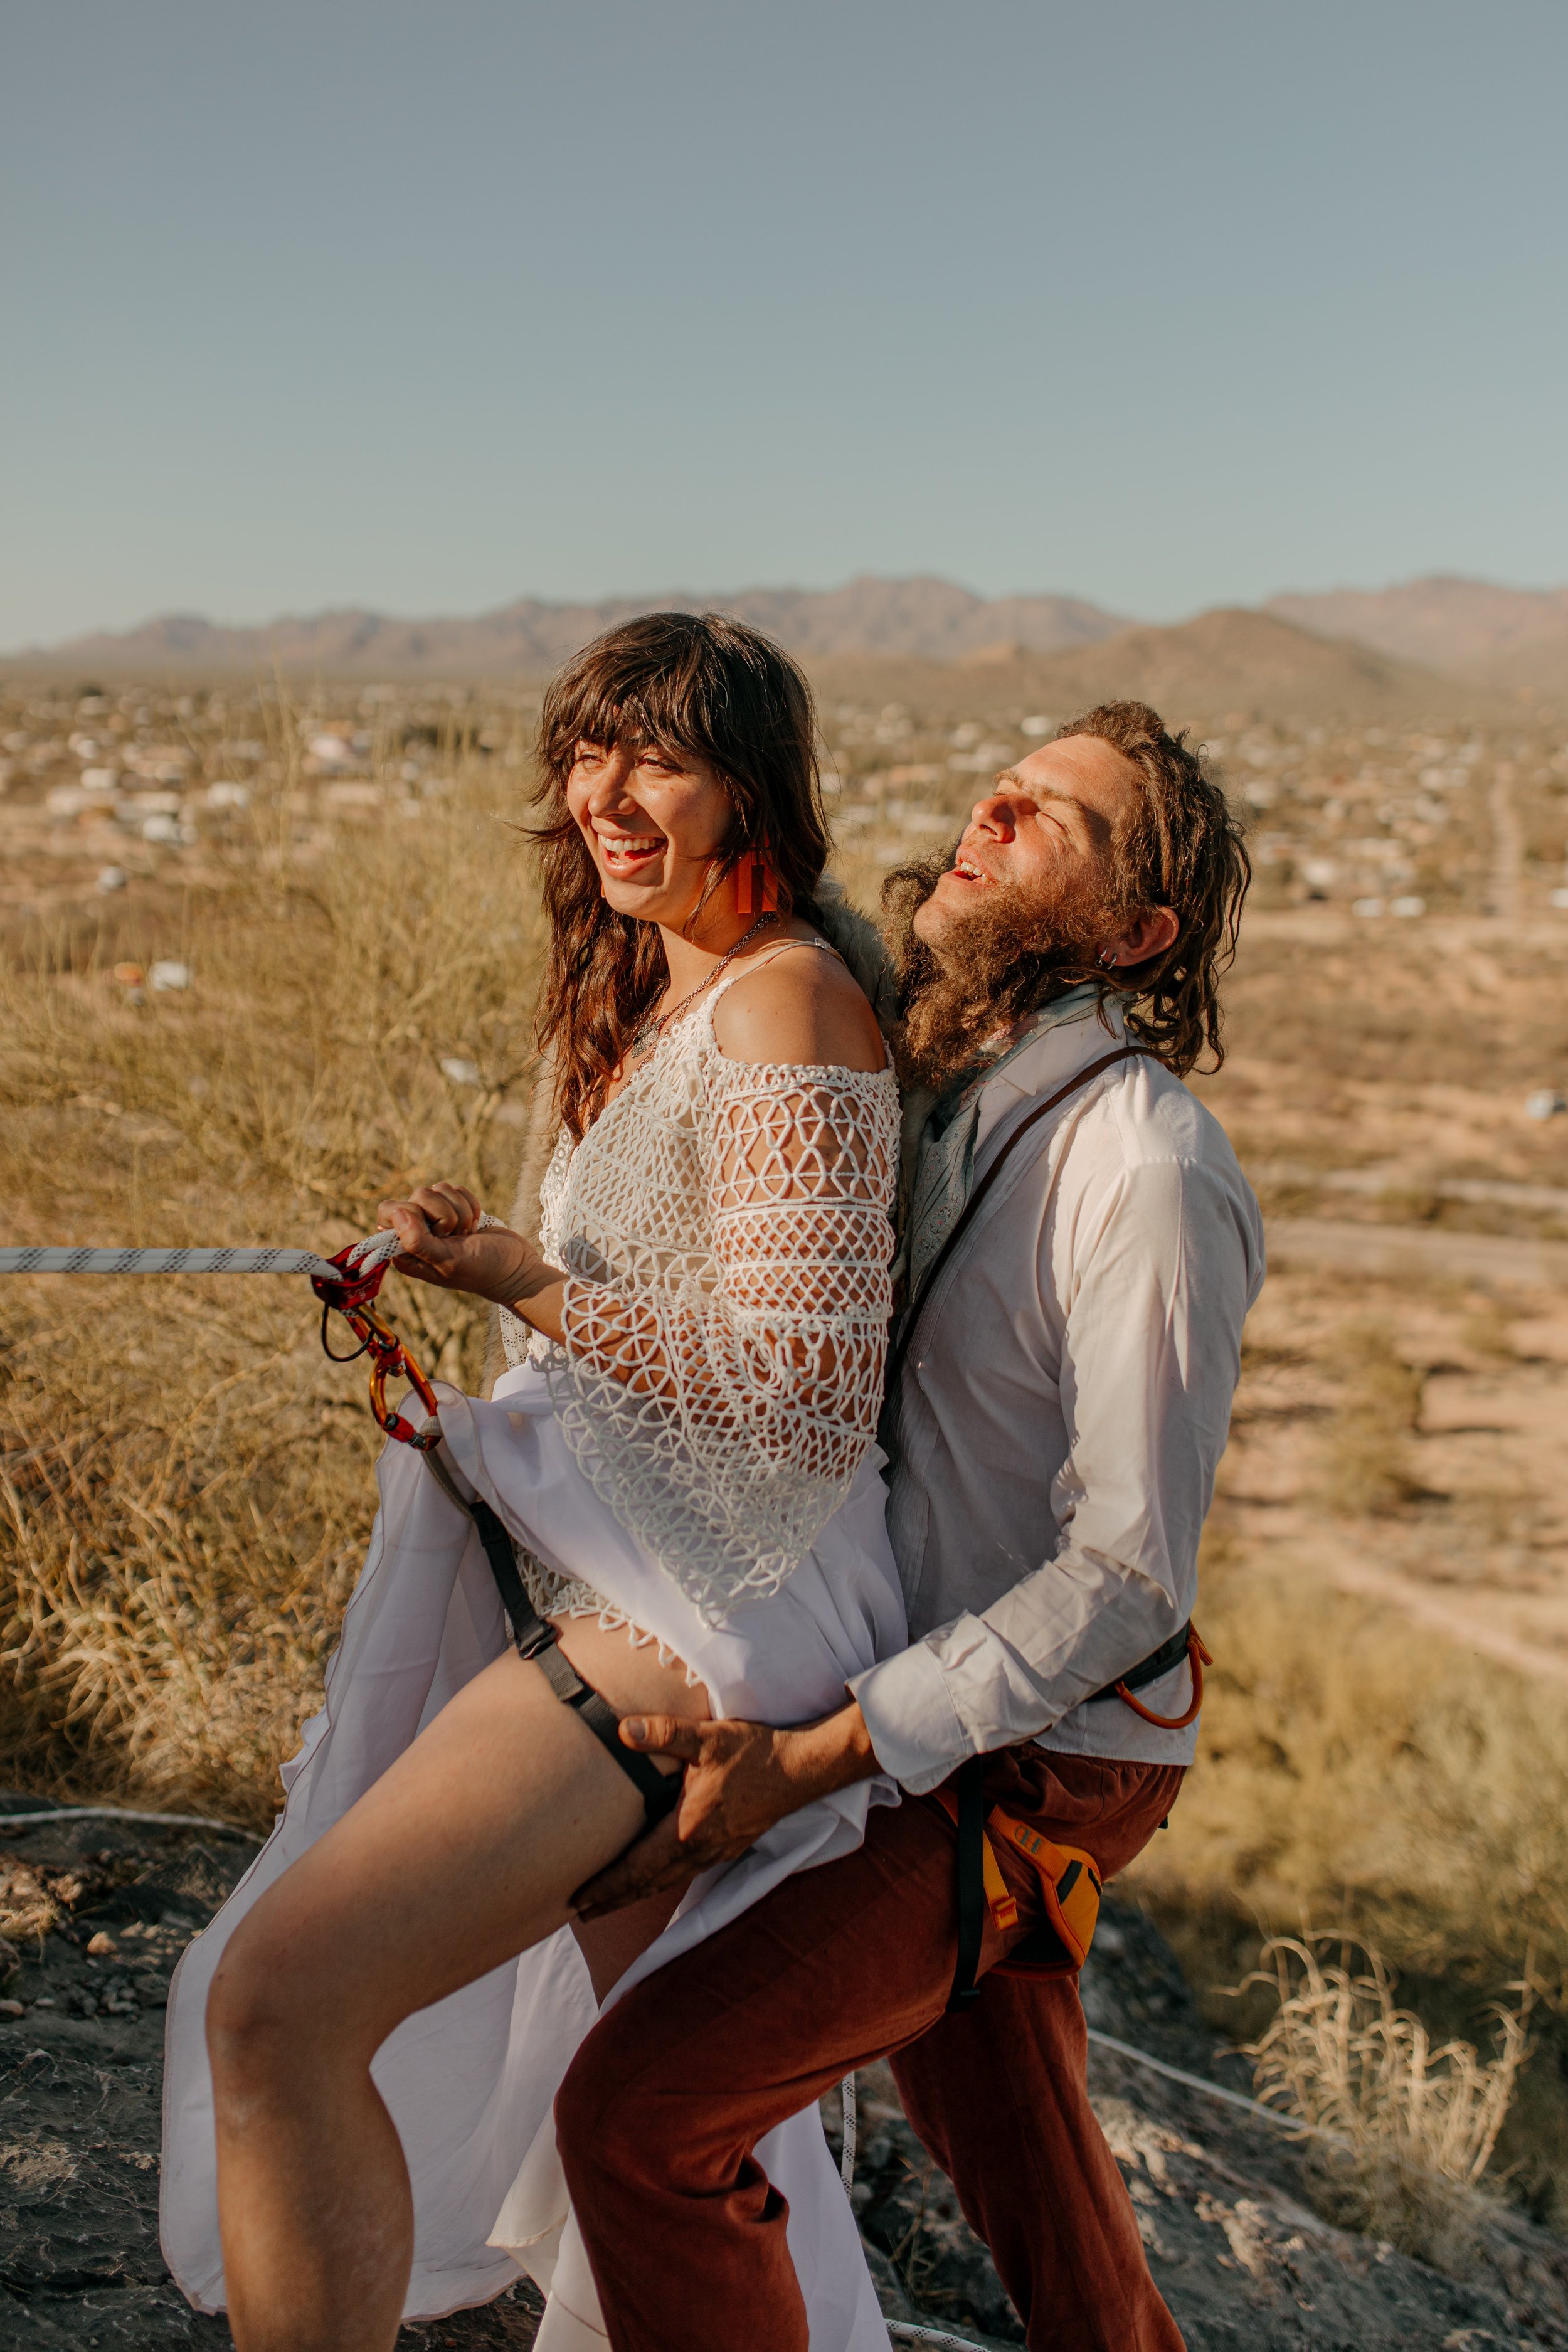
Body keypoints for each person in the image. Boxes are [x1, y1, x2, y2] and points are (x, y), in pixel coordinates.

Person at [159, 613, 909, 2352]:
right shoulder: (665, 992)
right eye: (587, 750)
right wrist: (484, 1257)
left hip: (717, 1592)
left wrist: (522, 1286)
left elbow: (799, 1401)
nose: (606, 792)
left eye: (657, 754)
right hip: (633, 1561)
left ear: (753, 787)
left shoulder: (787, 997)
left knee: (279, 2006)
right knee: (661, 2121)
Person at [553, 700, 1266, 2352]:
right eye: (1004, 782)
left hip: (1034, 1755)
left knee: (645, 2121)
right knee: (1026, 2179)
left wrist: (815, 1763)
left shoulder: (1141, 1167)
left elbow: (1125, 1571)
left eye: (1058, 820)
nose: (996, 805)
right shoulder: (920, 1064)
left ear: (1132, 930)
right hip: (910, 1707)